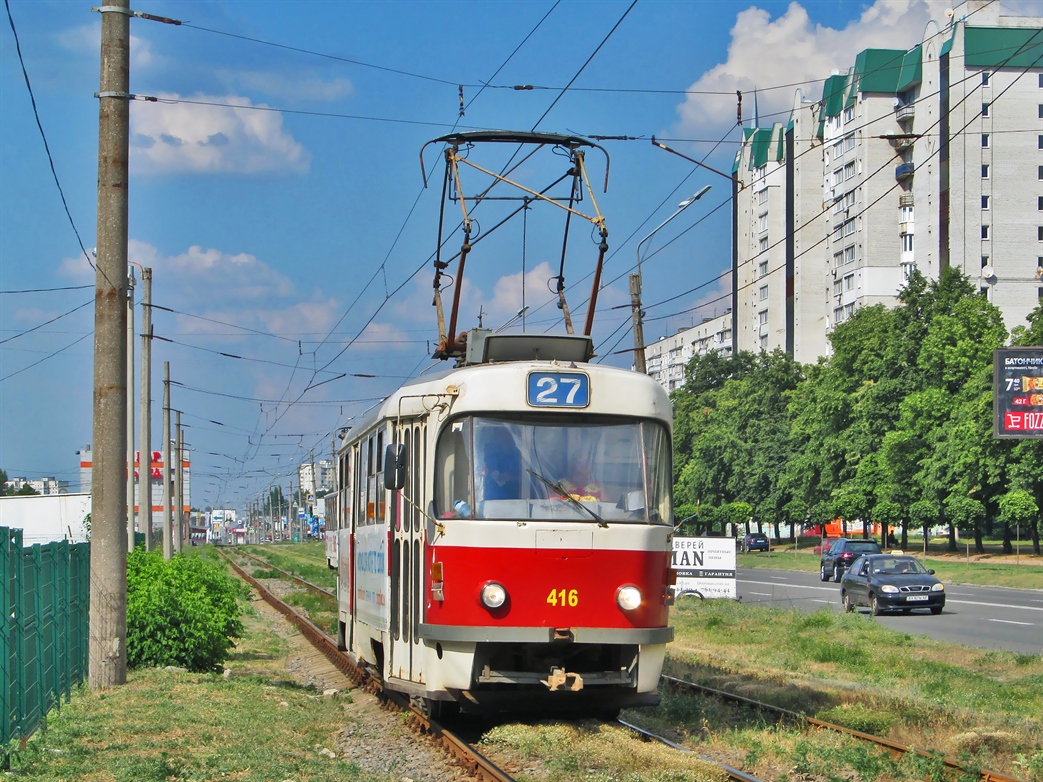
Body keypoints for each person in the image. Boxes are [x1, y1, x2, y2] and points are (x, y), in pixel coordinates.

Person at [479, 429, 521, 501]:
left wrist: (510, 477)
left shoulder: (517, 452)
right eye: (498, 434)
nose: (501, 437)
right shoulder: (488, 451)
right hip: (490, 497)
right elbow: (478, 470)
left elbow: (527, 478)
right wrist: (482, 471)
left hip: (514, 498)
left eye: (504, 434)